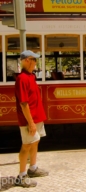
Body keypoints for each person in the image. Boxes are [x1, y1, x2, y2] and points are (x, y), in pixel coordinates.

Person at [14, 50, 49, 188]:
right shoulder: (22, 78)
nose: (35, 63)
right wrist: (30, 122)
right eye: (34, 60)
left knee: (35, 141)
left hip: (36, 117)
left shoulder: (30, 76)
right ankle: (21, 176)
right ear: (27, 60)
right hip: (30, 119)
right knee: (26, 145)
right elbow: (23, 103)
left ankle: (33, 168)